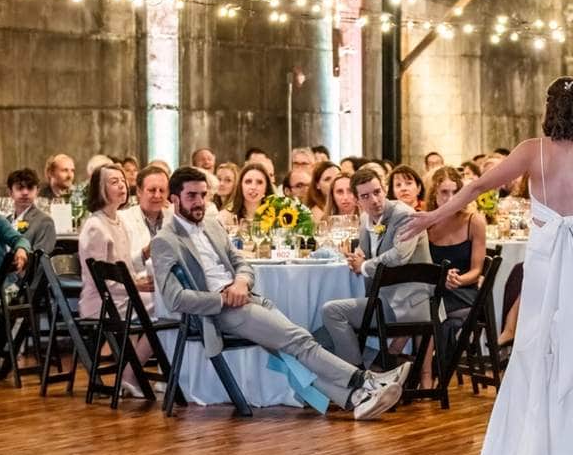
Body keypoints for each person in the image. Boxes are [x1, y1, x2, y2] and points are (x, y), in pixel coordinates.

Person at [405, 75, 573, 455]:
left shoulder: (530, 151)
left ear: (547, 110)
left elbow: (478, 185)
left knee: (535, 345)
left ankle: (528, 453)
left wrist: (433, 216)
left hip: (543, 257)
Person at [152, 167, 407, 419]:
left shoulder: (211, 225)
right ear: (173, 199)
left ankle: (354, 400)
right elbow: (175, 299)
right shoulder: (165, 240)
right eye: (191, 196)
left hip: (248, 298)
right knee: (298, 340)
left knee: (290, 355)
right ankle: (367, 381)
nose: (199, 202)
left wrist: (241, 281)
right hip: (220, 311)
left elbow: (242, 263)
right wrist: (222, 298)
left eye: (203, 195)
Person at [322, 169, 435, 373]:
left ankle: (359, 377)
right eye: (365, 196)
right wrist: (358, 254)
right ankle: (372, 366)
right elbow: (363, 251)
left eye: (377, 192)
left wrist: (364, 266)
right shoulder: (366, 218)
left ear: (384, 189)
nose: (374, 200)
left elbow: (399, 256)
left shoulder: (405, 215)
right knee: (320, 333)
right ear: (358, 201)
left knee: (332, 312)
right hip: (385, 300)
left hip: (409, 303)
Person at [77, 163, 153, 396]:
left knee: (168, 300)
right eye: (114, 182)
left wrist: (139, 278)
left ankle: (136, 373)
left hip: (122, 295)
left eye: (122, 180)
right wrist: (135, 284)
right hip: (101, 301)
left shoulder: (119, 221)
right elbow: (100, 279)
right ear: (100, 189)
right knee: (168, 306)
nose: (122, 185)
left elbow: (124, 267)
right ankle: (131, 375)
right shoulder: (95, 226)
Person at [413, 167, 488, 390]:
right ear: (433, 194)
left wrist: (458, 280)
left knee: (431, 308)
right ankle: (409, 366)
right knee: (422, 303)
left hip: (465, 291)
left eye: (455, 192)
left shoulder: (474, 221)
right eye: (444, 192)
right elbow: (422, 266)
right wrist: (440, 279)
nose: (450, 198)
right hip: (435, 288)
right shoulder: (428, 223)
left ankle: (425, 376)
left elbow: (477, 270)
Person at [119, 164, 170, 273]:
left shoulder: (173, 220)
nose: (157, 195)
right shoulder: (122, 219)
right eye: (152, 190)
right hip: (137, 286)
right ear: (139, 191)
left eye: (162, 190)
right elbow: (119, 265)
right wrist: (145, 253)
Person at [6, 168, 56, 257]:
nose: (25, 192)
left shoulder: (45, 222)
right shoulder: (6, 221)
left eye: (30, 188)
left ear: (37, 191)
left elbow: (40, 261)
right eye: (20, 188)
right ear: (10, 192)